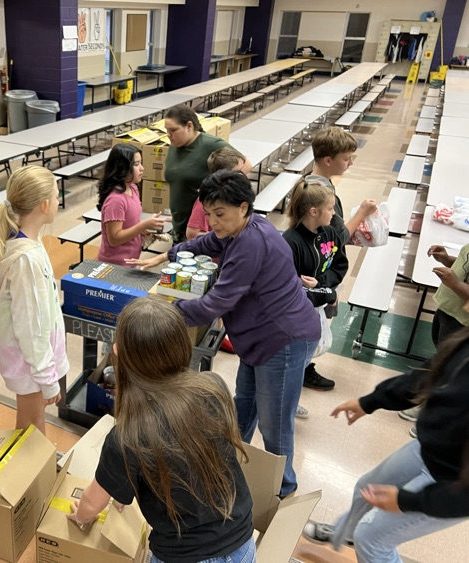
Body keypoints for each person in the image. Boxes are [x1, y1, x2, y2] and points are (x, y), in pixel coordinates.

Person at [129, 170, 320, 497]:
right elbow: (208, 241)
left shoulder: (250, 243)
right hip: (259, 339)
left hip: (283, 340)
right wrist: (170, 254)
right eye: (209, 213)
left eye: (220, 214)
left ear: (243, 206)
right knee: (242, 408)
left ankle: (282, 493)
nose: (213, 221)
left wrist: (163, 314)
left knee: (275, 426)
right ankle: (227, 469)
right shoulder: (245, 226)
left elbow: (216, 303)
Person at [68, 296, 256, 563]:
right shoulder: (213, 386)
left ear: (118, 352)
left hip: (184, 556)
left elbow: (92, 503)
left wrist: (80, 515)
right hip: (242, 542)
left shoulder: (127, 436)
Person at [304, 319, 469, 562]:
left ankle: (362, 541)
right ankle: (345, 536)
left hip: (453, 482)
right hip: (429, 450)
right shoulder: (463, 341)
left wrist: (406, 501)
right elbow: (425, 376)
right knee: (365, 489)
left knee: (372, 538)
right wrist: (369, 402)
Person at [0, 165, 68, 435]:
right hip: (31, 365)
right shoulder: (26, 261)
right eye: (56, 196)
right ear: (44, 205)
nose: (59, 201)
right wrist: (47, 378)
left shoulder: (32, 242)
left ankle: (38, 472)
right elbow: (31, 329)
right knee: (31, 429)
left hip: (35, 362)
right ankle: (31, 476)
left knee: (35, 426)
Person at [302, 126, 377, 391]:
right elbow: (341, 234)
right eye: (347, 158)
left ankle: (304, 365)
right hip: (318, 268)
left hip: (321, 262)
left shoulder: (312, 182)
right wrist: (364, 213)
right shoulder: (320, 191)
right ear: (328, 160)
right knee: (313, 321)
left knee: (315, 317)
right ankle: (303, 368)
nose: (351, 162)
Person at [283, 179, 348, 419]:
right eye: (330, 208)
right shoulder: (290, 243)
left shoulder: (329, 233)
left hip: (318, 306)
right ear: (314, 211)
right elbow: (293, 292)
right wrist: (327, 293)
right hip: (297, 316)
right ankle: (286, 402)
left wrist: (322, 285)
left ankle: (291, 393)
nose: (334, 213)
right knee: (294, 362)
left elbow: (339, 264)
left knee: (306, 357)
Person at [400, 242, 469, 428]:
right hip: (448, 309)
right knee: (440, 357)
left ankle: (429, 410)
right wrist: (448, 260)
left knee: (446, 365)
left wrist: (454, 283)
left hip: (461, 321)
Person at [164, 105, 231, 242]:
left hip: (199, 230)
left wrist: (215, 190)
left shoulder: (210, 144)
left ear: (189, 126)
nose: (168, 135)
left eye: (173, 130)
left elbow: (244, 165)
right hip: (179, 228)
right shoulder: (173, 146)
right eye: (167, 130)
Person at [96, 143, 165, 266]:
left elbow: (129, 223)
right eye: (136, 164)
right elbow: (114, 239)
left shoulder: (133, 188)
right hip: (116, 264)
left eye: (141, 163)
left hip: (131, 259)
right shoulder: (116, 200)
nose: (142, 168)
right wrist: (143, 225)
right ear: (123, 168)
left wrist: (145, 232)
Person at [186, 146, 252, 240]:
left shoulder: (234, 195)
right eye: (239, 172)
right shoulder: (206, 201)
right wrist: (225, 237)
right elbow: (191, 233)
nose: (243, 176)